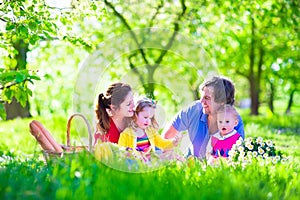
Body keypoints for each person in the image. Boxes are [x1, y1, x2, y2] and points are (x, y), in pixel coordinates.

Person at [162, 76, 245, 159]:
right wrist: (169, 156)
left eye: (207, 98)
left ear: (222, 102)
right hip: (191, 164)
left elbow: (236, 157)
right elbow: (166, 136)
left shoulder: (234, 121)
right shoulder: (193, 110)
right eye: (202, 97)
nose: (201, 101)